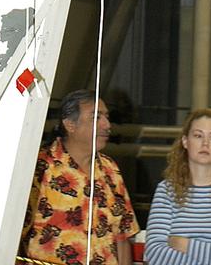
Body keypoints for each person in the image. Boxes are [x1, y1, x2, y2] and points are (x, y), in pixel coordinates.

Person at [21, 89, 139, 265]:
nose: (107, 125)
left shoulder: (110, 169)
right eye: (96, 117)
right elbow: (12, 234)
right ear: (70, 124)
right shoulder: (40, 167)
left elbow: (122, 235)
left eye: (106, 117)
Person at [144, 107, 211, 264]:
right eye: (198, 136)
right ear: (185, 141)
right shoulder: (166, 190)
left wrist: (183, 244)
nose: (205, 143)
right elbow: (155, 254)